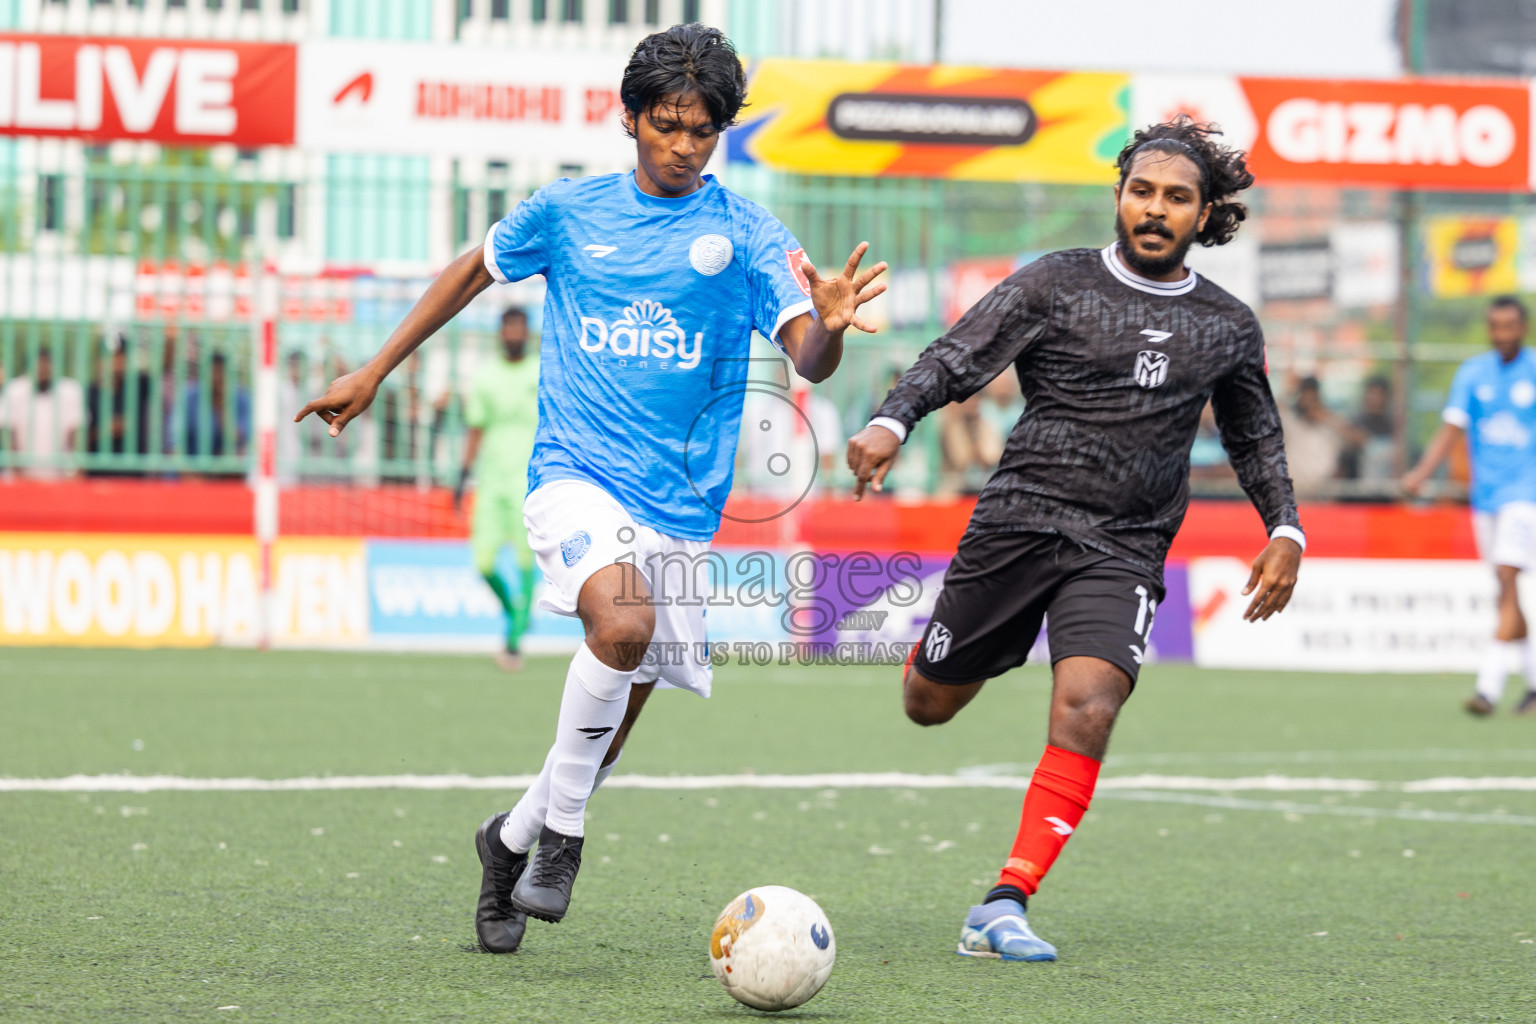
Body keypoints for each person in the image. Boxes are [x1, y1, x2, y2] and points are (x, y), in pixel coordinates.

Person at [295, 23, 886, 957]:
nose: (683, 145)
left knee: (606, 727)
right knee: (622, 628)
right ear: (631, 117)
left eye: (702, 131)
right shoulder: (569, 213)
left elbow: (806, 351)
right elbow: (470, 271)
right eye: (665, 124)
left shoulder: (745, 232)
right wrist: (374, 370)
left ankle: (510, 839)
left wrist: (833, 324)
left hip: (681, 508)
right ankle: (563, 839)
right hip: (573, 476)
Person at [847, 117, 1304, 963]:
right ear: (1119, 196)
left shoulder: (1228, 325)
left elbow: (1255, 438)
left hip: (1124, 547)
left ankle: (1004, 899)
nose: (1156, 209)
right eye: (1142, 191)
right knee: (928, 703)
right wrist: (890, 420)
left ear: (1206, 215)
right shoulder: (1057, 283)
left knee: (1092, 701)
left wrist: (1285, 529)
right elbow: (955, 357)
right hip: (1017, 526)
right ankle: (973, 647)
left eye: (1177, 197)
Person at [1404, 296, 1536, 716]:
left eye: (1510, 325)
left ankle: (1488, 688)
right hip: (1487, 499)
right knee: (1506, 593)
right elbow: (1452, 428)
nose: (1502, 334)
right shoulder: (1473, 372)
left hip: (1525, 495)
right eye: (1495, 326)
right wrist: (1422, 472)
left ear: (1524, 327)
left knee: (1508, 577)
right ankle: (1534, 685)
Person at [455, 307, 541, 671]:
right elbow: (476, 428)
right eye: (509, 328)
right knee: (484, 563)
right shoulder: (486, 376)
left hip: (531, 482)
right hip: (491, 483)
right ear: (500, 333)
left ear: (528, 332)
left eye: (520, 328)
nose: (515, 334)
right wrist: (461, 475)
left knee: (526, 563)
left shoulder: (543, 370)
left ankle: (513, 641)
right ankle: (516, 613)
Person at [0, 346, 85, 480]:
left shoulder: (70, 391)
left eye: (47, 363)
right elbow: (8, 436)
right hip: (18, 480)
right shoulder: (14, 390)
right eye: (39, 364)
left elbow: (77, 438)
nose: (43, 369)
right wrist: (20, 477)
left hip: (59, 479)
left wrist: (74, 475)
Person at [86, 335, 153, 475]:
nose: (117, 362)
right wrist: (105, 431)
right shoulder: (90, 393)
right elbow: (81, 439)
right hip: (99, 474)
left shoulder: (139, 385)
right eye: (111, 356)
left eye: (121, 356)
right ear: (99, 361)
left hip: (133, 475)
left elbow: (160, 367)